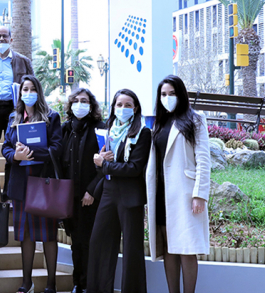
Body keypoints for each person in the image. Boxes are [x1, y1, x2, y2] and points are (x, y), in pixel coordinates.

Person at [146, 75, 210, 293]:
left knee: (186, 248)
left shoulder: (195, 119)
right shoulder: (158, 123)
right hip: (162, 195)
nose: (167, 97)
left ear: (181, 94)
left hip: (185, 193)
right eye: (163, 94)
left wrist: (199, 194)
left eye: (172, 93)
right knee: (169, 248)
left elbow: (203, 159)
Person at [1, 75, 62, 293]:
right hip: (20, 184)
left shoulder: (52, 117)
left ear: (39, 91)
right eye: (24, 89)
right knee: (25, 236)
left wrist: (32, 152)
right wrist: (15, 156)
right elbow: (5, 148)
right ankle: (27, 282)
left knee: (48, 236)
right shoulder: (13, 117)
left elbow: (57, 148)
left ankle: (52, 284)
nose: (28, 93)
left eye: (32, 88)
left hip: (43, 183)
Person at [87, 89, 151, 293]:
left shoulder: (142, 132)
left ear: (135, 108)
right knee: (99, 243)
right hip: (109, 191)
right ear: (113, 108)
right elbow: (103, 163)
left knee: (132, 250)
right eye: (119, 105)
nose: (122, 109)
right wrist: (100, 161)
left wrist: (105, 165)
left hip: (130, 196)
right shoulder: (108, 130)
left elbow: (134, 168)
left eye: (128, 105)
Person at [60, 88, 106, 293]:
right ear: (70, 105)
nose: (80, 104)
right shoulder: (65, 129)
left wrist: (92, 191)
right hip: (69, 195)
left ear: (91, 105)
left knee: (88, 242)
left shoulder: (100, 128)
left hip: (90, 196)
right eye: (76, 100)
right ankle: (77, 283)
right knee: (75, 242)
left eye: (84, 100)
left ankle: (88, 284)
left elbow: (103, 165)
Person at [0, 26, 34, 152]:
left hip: (15, 109)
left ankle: (13, 172)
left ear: (11, 39)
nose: (1, 39)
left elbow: (33, 85)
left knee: (16, 145)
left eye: (5, 36)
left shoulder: (23, 61)